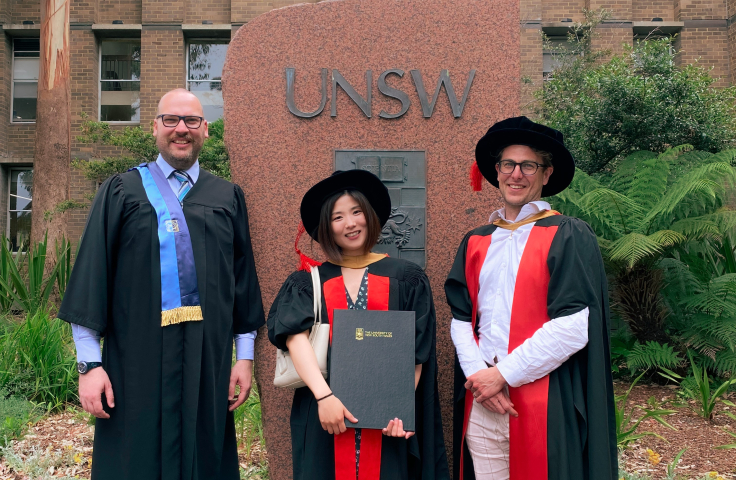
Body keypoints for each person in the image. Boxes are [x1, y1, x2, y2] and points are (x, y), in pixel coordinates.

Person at [58, 89, 265, 480]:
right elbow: (91, 276)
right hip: (135, 362)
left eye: (191, 121)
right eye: (171, 120)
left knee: (205, 458)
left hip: (209, 362)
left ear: (206, 130)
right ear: (155, 128)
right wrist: (89, 364)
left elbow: (242, 283)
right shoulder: (122, 191)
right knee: (134, 459)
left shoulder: (227, 197)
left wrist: (245, 356)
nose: (181, 129)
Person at [445, 116, 617, 480]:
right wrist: (481, 378)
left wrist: (502, 375)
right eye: (508, 164)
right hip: (483, 403)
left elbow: (574, 325)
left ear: (546, 174)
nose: (516, 174)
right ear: (496, 171)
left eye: (528, 166)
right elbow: (461, 318)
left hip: (544, 401)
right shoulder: (477, 240)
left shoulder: (568, 234)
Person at [267, 170, 449, 480]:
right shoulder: (307, 281)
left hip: (386, 421)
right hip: (323, 412)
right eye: (338, 217)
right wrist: (325, 398)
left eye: (357, 212)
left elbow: (416, 352)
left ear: (371, 216)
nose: (350, 223)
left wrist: (397, 408)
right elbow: (294, 337)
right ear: (327, 227)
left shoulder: (407, 278)